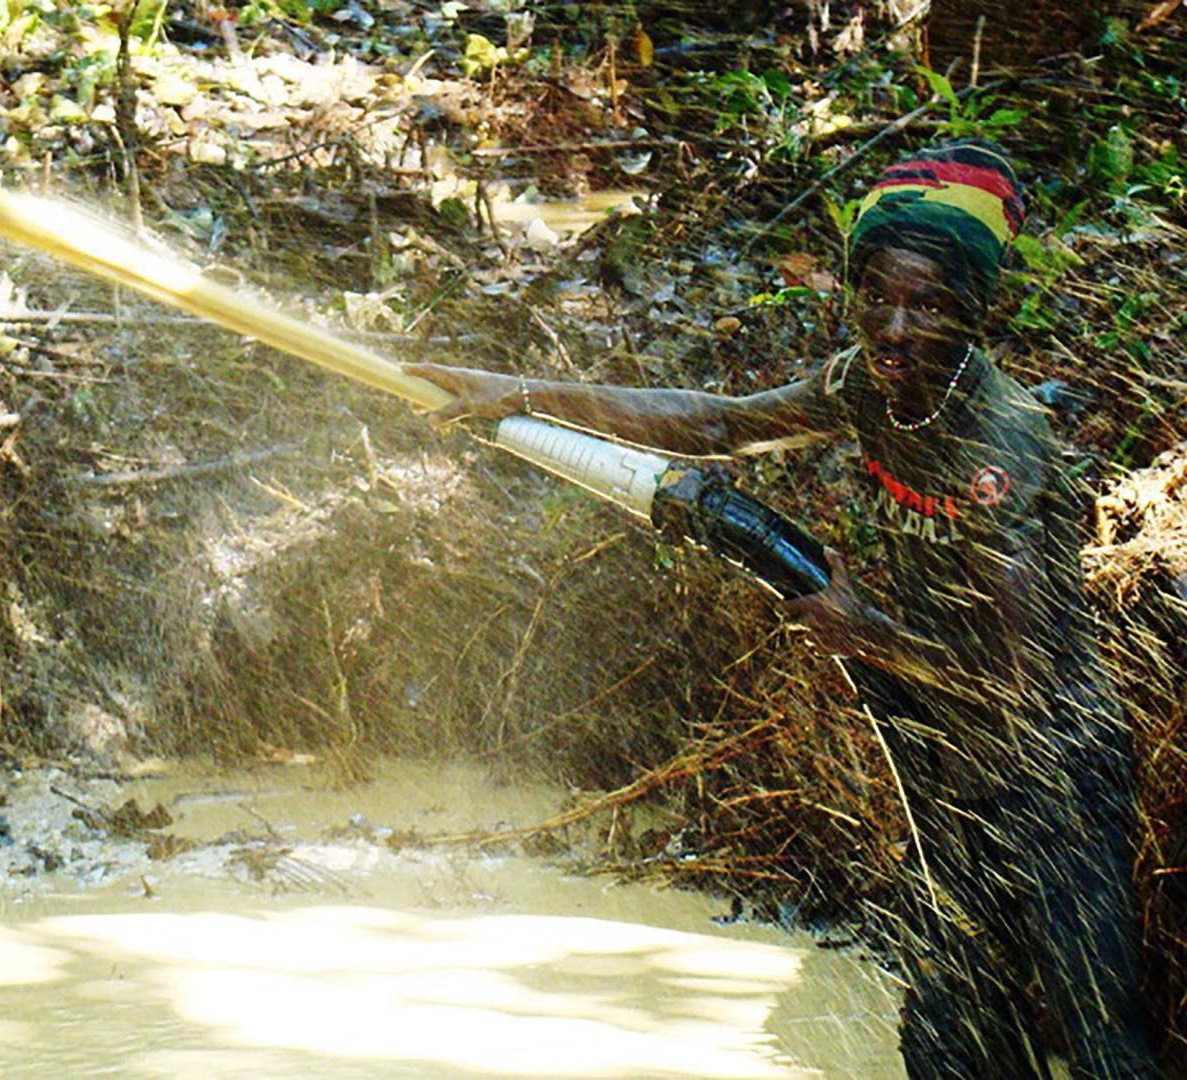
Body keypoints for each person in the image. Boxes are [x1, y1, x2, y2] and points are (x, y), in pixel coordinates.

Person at [405, 141, 1161, 1077]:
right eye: (877, 298)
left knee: (1098, 1033)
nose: (893, 328)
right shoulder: (866, 386)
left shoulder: (995, 442)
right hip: (946, 750)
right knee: (951, 1026)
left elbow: (1022, 673)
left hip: (1051, 765)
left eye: (927, 307)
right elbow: (718, 424)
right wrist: (519, 393)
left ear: (972, 311)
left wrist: (868, 632)